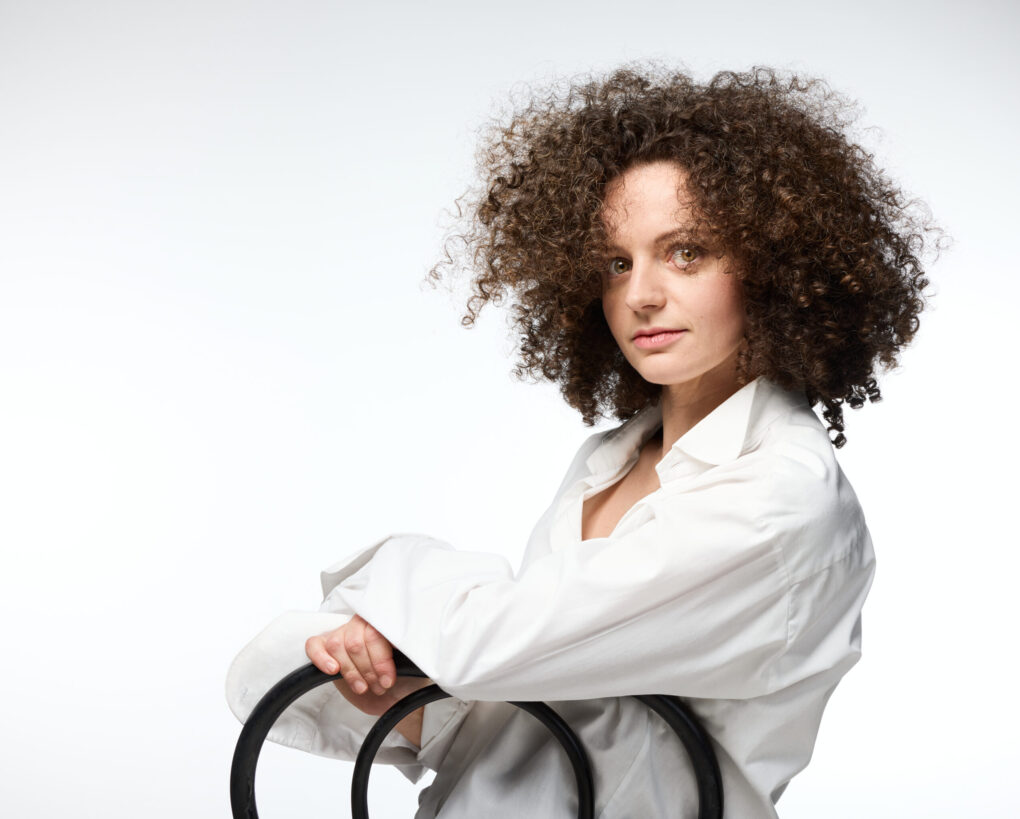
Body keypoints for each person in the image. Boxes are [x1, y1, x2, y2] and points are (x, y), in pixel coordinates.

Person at [227, 65, 938, 817]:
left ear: (771, 268)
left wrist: (405, 587)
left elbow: (488, 645)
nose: (641, 295)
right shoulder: (613, 457)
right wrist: (399, 684)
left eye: (686, 251)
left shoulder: (778, 498)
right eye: (616, 263)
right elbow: (535, 707)